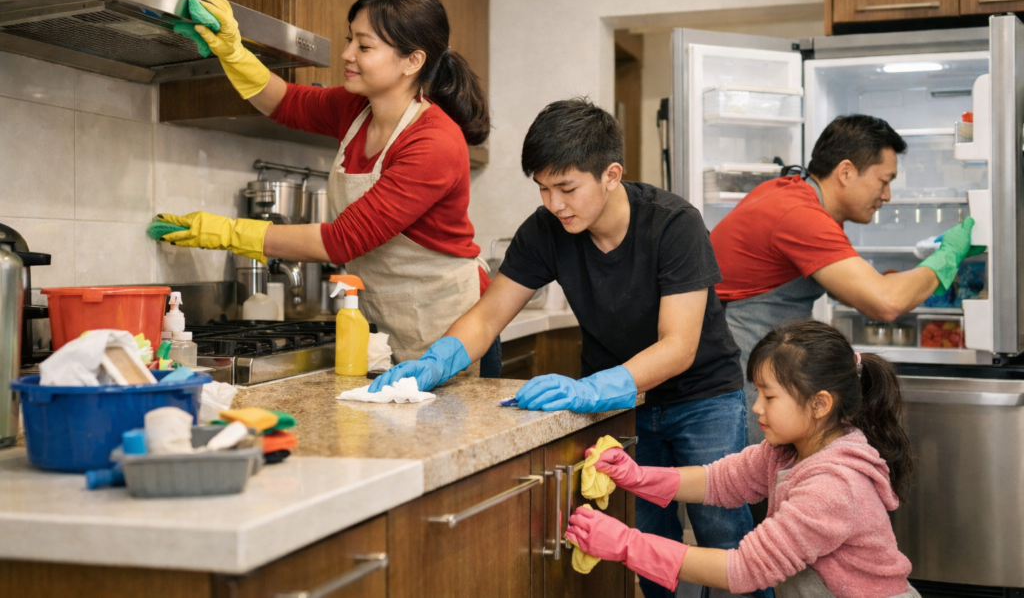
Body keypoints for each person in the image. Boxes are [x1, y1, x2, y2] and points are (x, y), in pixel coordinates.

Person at [370, 97, 765, 598]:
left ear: (611, 175)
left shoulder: (673, 225)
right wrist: (433, 362)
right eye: (543, 189)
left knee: (724, 536)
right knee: (643, 544)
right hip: (624, 409)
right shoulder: (546, 232)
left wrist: (593, 389)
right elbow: (490, 315)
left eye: (567, 188)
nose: (555, 204)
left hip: (702, 400)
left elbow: (679, 346)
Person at [153, 0, 502, 370]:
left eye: (364, 47)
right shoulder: (355, 108)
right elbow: (285, 102)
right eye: (349, 39)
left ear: (412, 61)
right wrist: (233, 51)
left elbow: (342, 240)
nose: (347, 54)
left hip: (451, 330)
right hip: (388, 324)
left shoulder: (434, 142)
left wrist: (226, 234)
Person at [565, 320, 920, 598]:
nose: (757, 408)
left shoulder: (833, 486)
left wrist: (628, 545)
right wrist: (638, 477)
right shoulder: (788, 451)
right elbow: (720, 480)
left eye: (770, 396)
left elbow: (745, 568)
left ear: (820, 404)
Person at [710, 114, 980, 444]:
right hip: (738, 380)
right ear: (847, 171)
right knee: (742, 487)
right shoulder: (799, 213)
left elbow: (857, 287)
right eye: (884, 180)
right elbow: (885, 302)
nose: (888, 195)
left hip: (754, 371)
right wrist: (947, 257)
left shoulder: (791, 194)